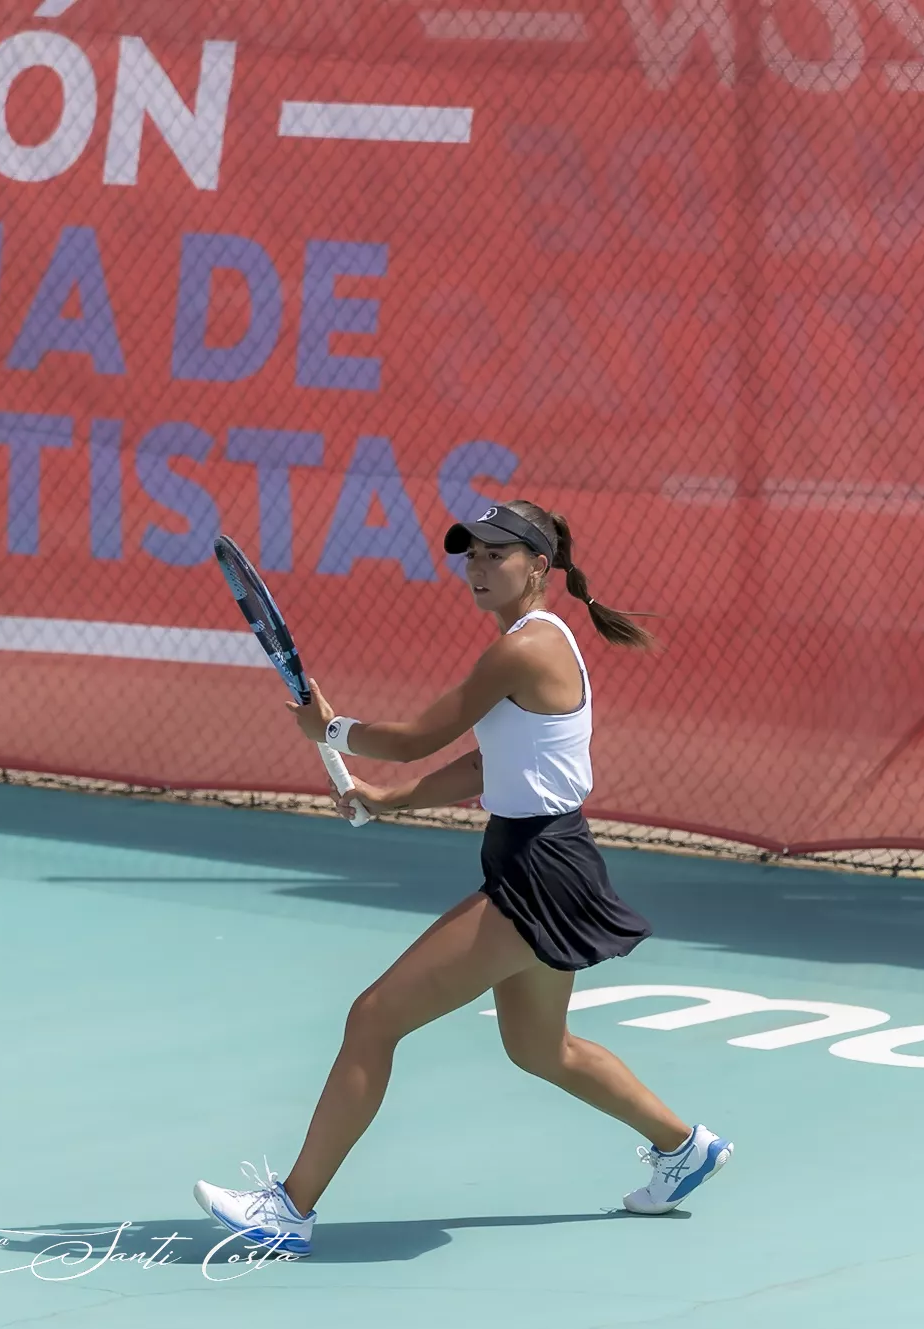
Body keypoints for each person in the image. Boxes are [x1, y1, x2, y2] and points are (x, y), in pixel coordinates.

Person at [192, 500, 731, 1257]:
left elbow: (416, 736)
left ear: (538, 567)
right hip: (552, 855)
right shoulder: (542, 642)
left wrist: (332, 731)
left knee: (373, 1016)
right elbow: (487, 762)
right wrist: (391, 798)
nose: (477, 568)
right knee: (540, 1046)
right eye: (470, 555)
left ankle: (290, 1207)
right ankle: (684, 1146)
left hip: (537, 870)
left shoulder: (524, 649)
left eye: (495, 555)